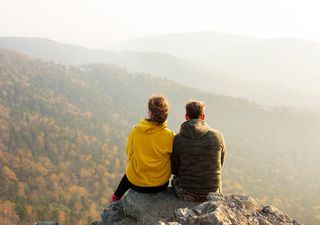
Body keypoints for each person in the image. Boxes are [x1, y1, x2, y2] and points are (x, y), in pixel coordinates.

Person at [110, 95, 175, 203]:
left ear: (150, 112)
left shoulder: (137, 131)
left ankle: (116, 197)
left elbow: (129, 153)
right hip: (160, 184)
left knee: (129, 173)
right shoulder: (170, 135)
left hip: (136, 183)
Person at [171, 100, 226, 202]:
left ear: (186, 117)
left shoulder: (178, 139)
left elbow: (174, 169)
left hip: (187, 193)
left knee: (174, 180)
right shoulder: (217, 136)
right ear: (203, 117)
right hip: (213, 194)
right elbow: (220, 163)